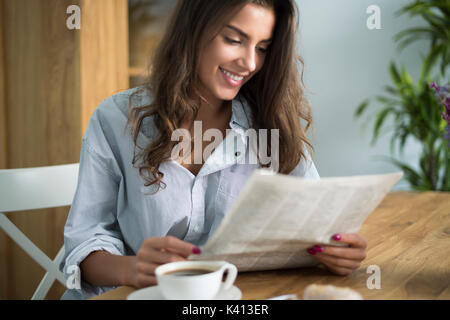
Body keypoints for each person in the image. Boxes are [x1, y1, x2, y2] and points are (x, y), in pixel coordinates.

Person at [60, 0, 367, 300]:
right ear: (193, 31)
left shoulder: (271, 122)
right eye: (234, 40)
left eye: (262, 48)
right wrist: (130, 268)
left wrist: (335, 251)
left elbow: (317, 221)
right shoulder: (115, 119)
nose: (249, 63)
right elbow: (84, 244)